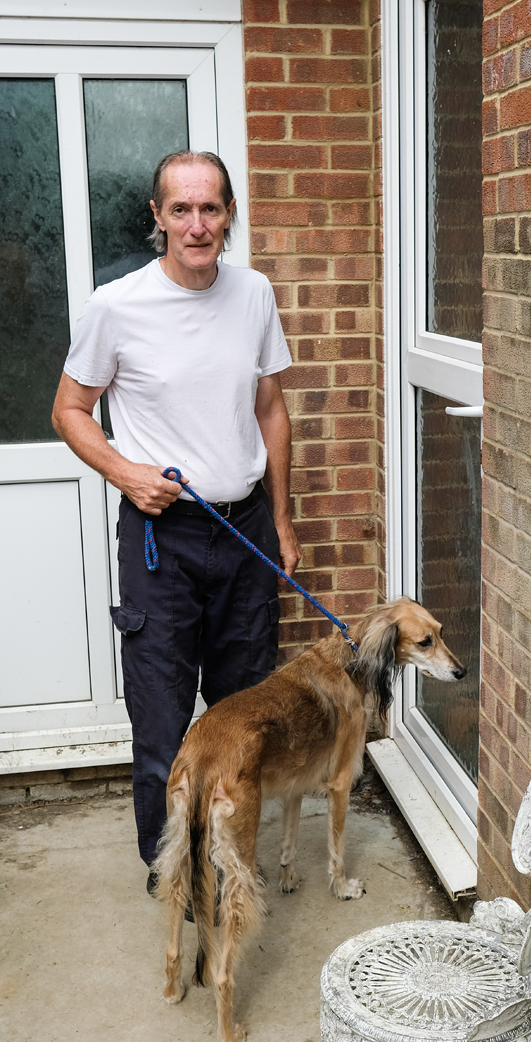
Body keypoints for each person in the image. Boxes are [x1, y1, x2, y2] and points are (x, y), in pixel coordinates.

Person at [52, 150, 300, 888]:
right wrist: (126, 472)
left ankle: (229, 863)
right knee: (163, 726)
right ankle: (175, 879)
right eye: (182, 209)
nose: (197, 225)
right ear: (158, 217)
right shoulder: (116, 306)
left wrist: (283, 521)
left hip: (245, 532)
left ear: (229, 216)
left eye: (210, 209)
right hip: (162, 542)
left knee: (245, 720)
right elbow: (69, 410)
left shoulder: (254, 293)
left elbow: (270, 410)